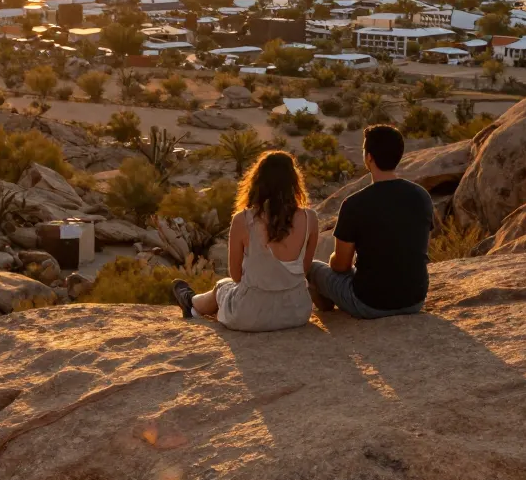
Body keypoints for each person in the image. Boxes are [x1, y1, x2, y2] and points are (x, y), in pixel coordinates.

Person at [171, 150, 319, 331]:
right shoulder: (310, 218)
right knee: (229, 287)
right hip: (296, 312)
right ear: (294, 182)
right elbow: (303, 269)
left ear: (257, 182)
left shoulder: (243, 220)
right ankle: (192, 304)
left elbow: (236, 276)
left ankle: (191, 303)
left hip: (250, 316)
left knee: (223, 286)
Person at [309, 123, 432, 318]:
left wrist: (334, 260)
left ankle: (328, 313)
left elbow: (341, 265)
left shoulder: (354, 204)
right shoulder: (421, 196)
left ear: (369, 157)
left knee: (313, 267)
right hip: (414, 300)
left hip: (370, 303)